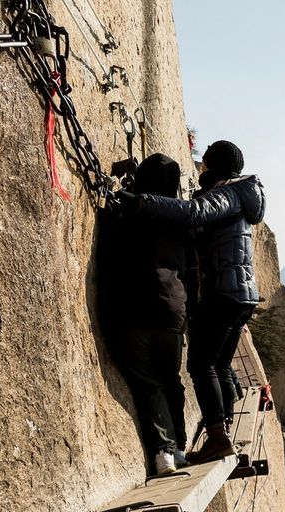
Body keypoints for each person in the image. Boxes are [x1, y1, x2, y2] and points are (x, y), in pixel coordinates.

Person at [131, 140, 264, 464]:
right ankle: (224, 432)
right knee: (218, 365)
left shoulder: (227, 193)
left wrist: (143, 201)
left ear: (214, 165)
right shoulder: (240, 196)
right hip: (241, 294)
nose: (201, 168)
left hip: (223, 292)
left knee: (201, 366)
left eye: (205, 163)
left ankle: (218, 438)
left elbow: (194, 213)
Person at [100, 153, 197, 476]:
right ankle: (179, 447)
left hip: (135, 309)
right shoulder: (180, 221)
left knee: (148, 383)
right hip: (172, 311)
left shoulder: (125, 210)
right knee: (171, 381)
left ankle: (163, 452)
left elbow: (109, 252)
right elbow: (190, 271)